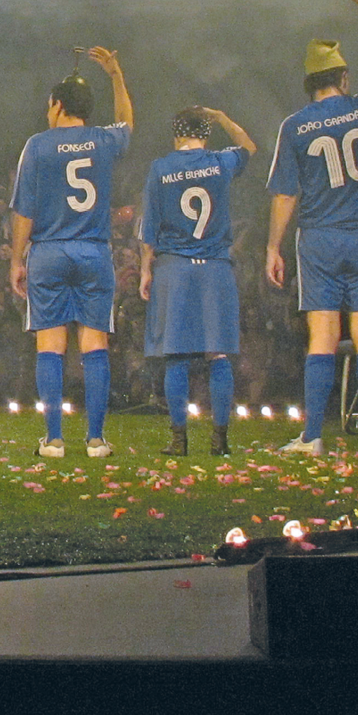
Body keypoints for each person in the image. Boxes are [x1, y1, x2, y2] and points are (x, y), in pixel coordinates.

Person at [266, 0, 358, 456]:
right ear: (343, 77)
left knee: (323, 335)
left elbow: (285, 193)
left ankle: (314, 436)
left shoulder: (295, 125)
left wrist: (272, 248)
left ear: (309, 82)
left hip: (319, 240)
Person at [10, 47, 133, 459]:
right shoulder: (103, 140)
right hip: (94, 251)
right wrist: (115, 75)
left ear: (58, 105)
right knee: (94, 345)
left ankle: (55, 439)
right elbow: (127, 124)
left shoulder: (38, 145)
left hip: (49, 251)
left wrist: (15, 259)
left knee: (51, 346)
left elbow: (24, 209)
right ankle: (96, 439)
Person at [138, 106, 256, 456]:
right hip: (215, 268)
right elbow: (249, 146)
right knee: (218, 355)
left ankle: (179, 440)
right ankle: (220, 440)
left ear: (175, 134)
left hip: (175, 268)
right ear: (206, 134)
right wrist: (224, 117)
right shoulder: (220, 162)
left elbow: (150, 228)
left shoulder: (160, 169)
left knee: (176, 356)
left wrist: (146, 269)